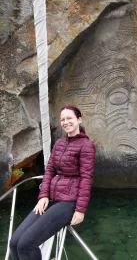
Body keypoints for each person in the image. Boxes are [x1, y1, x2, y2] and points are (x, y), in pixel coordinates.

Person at [10, 105, 96, 260]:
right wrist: (43, 196)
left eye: (69, 118)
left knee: (26, 246)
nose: (65, 122)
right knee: (14, 243)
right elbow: (49, 171)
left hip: (68, 202)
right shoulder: (59, 144)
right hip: (50, 199)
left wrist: (80, 210)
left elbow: (86, 178)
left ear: (79, 120)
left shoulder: (86, 146)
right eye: (62, 119)